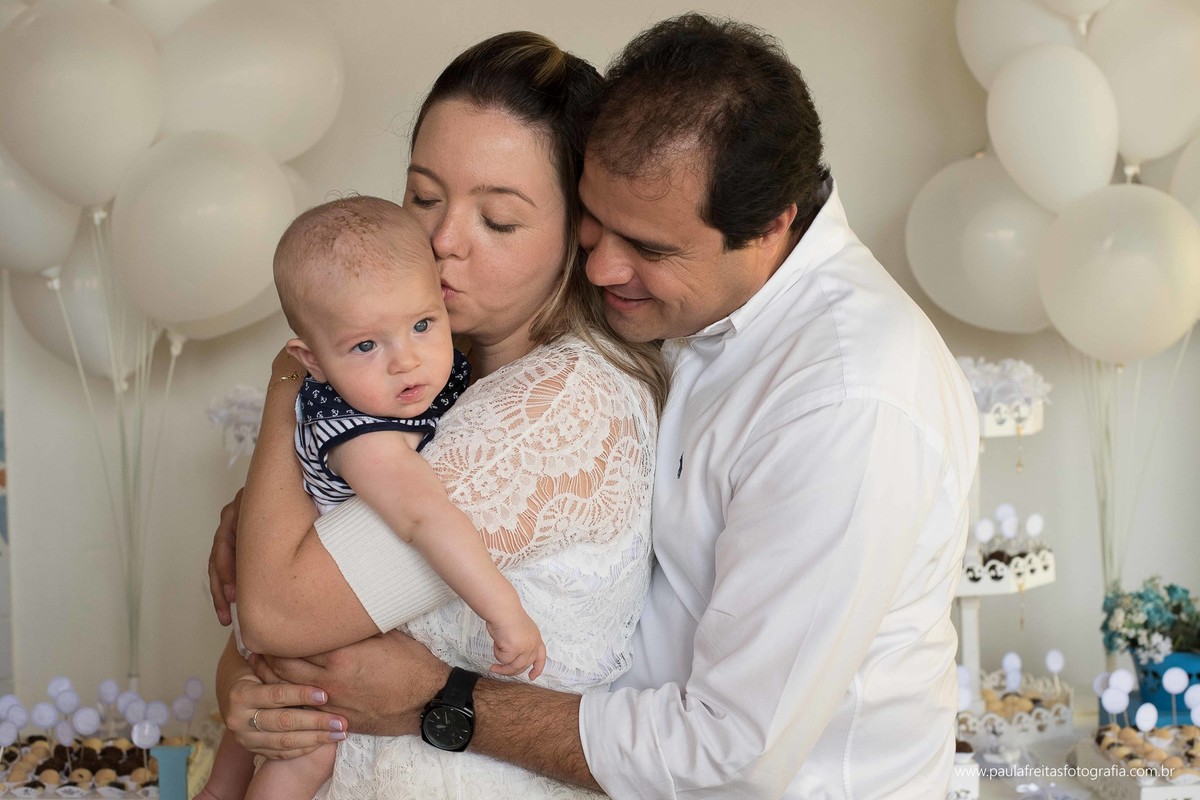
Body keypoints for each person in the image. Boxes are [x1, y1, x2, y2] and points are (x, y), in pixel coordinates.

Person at [211, 15, 979, 799]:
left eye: (503, 219)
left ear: (773, 223)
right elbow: (281, 625)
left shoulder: (845, 402)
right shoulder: (628, 324)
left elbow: (733, 752)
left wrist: (441, 699)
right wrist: (289, 508)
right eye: (420, 195)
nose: (605, 266)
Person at [207, 31, 669, 799]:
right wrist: (251, 698)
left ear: (576, 232)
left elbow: (278, 611)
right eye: (423, 197)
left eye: (499, 220)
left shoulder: (555, 405)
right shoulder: (436, 380)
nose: (442, 241)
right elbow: (259, 635)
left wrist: (290, 381)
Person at [202, 196, 548, 800]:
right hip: (313, 609)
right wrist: (502, 609)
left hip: (299, 583)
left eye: (422, 325)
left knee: (256, 737)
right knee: (305, 756)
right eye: (366, 346)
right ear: (311, 361)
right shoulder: (360, 432)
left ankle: (218, 789)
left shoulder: (414, 380)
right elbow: (422, 515)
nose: (406, 361)